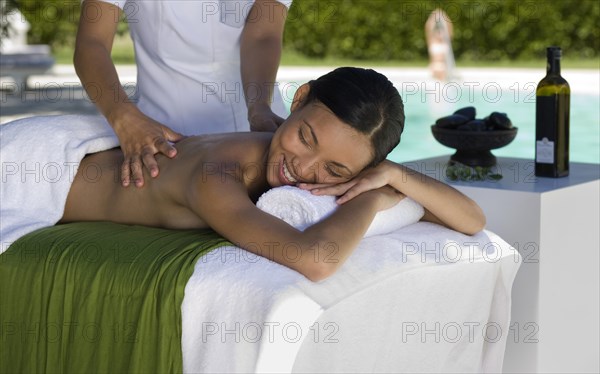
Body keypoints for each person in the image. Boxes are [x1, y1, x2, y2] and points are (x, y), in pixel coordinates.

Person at [57, 67, 486, 282]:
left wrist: (394, 173)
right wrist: (374, 196)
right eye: (305, 137)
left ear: (361, 168)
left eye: (335, 170)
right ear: (298, 100)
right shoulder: (217, 173)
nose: (303, 167)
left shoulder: (316, 161)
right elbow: (314, 261)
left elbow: (472, 219)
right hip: (43, 173)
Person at [74, 0, 292, 188]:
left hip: (259, 134)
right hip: (165, 140)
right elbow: (92, 43)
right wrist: (123, 117)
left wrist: (260, 107)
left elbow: (263, 36)